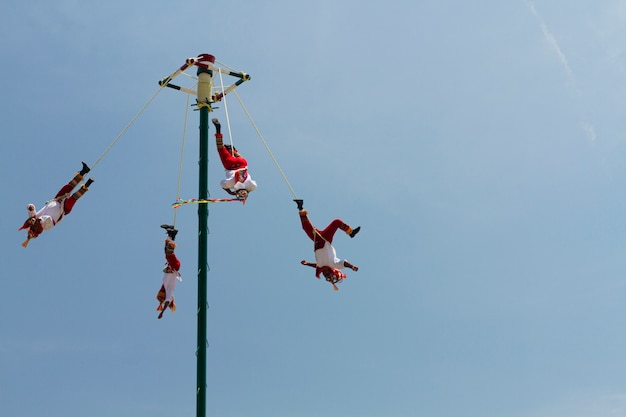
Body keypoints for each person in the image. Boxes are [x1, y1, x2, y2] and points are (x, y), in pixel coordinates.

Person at [18, 162, 94, 247]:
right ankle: (85, 186)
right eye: (34, 227)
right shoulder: (46, 227)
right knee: (71, 200)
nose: (34, 224)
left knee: (67, 187)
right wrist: (37, 221)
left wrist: (30, 208)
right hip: (63, 209)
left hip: (57, 199)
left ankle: (83, 172)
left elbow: (31, 213)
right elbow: (48, 219)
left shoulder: (36, 217)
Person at [294, 199, 360, 290]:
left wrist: (307, 263)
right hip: (325, 239)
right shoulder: (334, 264)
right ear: (333, 271)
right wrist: (352, 266)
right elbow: (344, 263)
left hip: (316, 239)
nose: (324, 274)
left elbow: (315, 265)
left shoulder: (320, 266)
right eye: (328, 275)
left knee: (305, 227)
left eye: (325, 276)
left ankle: (300, 206)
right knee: (336, 222)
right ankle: (351, 232)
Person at [212, 117, 257, 200]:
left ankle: (234, 151)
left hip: (241, 163)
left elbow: (253, 186)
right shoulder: (230, 184)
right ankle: (218, 132)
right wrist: (231, 192)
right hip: (230, 165)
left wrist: (248, 191)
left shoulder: (251, 186)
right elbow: (222, 185)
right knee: (220, 148)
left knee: (243, 162)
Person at [156, 225, 182, 319]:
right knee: (168, 253)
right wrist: (162, 312)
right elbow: (167, 302)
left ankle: (171, 234)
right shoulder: (169, 291)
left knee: (167, 252)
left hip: (172, 265)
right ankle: (173, 234)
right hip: (175, 267)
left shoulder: (164, 284)